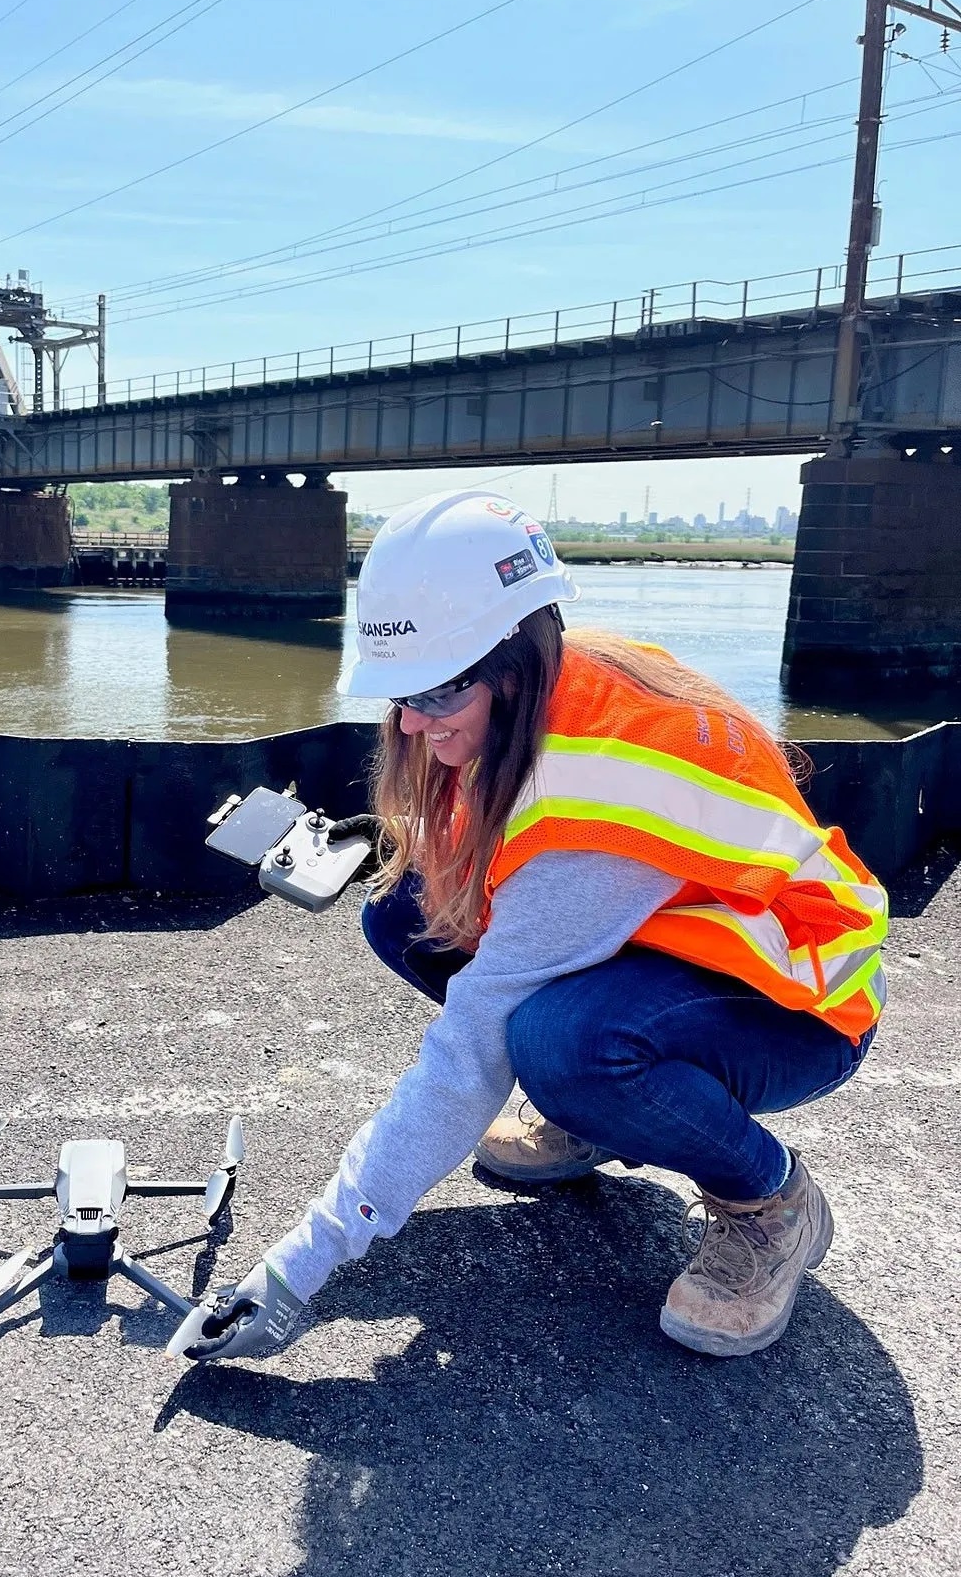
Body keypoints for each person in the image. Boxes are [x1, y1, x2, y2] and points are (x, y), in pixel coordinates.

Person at [171, 488, 887, 1365]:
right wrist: (391, 838)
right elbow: (511, 853)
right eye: (399, 691)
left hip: (800, 1001)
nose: (408, 721)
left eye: (436, 689)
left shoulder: (599, 786)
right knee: (404, 906)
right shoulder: (543, 685)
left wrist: (297, 1268)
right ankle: (600, 1111)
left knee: (560, 1044)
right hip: (671, 944)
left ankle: (770, 1198)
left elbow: (468, 1052)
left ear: (509, 663)